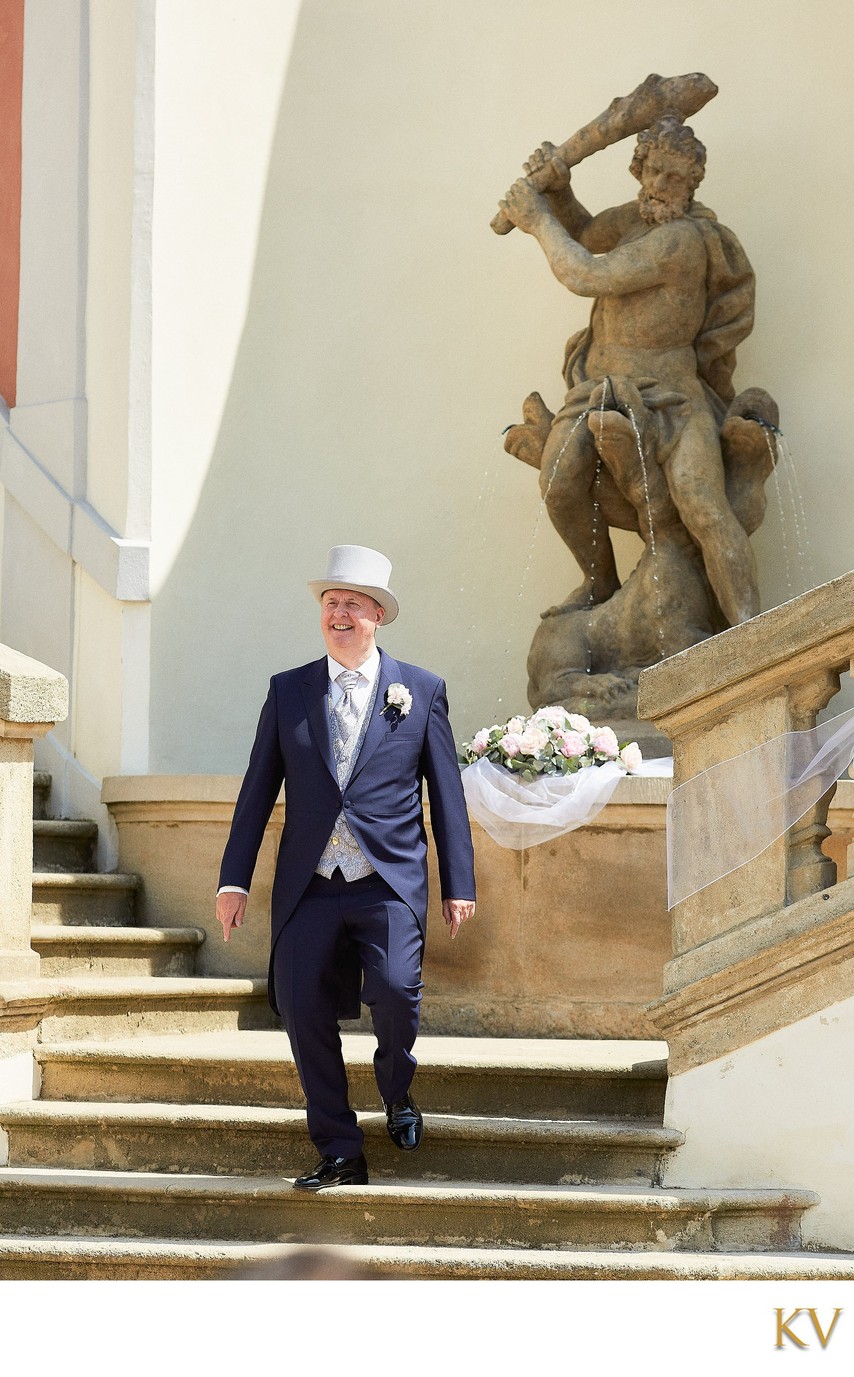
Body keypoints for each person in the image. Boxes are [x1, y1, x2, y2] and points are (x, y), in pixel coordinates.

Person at [216, 545, 476, 1190]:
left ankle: (397, 1091)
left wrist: (458, 884)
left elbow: (446, 793)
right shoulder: (287, 690)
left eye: (353, 604)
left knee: (393, 992)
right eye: (331, 602)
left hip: (387, 879)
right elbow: (257, 791)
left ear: (379, 616)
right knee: (302, 1009)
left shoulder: (420, 691)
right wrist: (233, 877)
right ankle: (340, 1150)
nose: (339, 613)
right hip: (310, 883)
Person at [499, 116, 761, 628]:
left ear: (692, 185)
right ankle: (599, 581)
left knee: (702, 504)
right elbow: (587, 233)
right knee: (558, 485)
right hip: (597, 390)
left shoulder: (683, 239)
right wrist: (560, 190)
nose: (663, 186)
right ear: (639, 168)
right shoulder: (633, 221)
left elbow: (586, 273)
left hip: (672, 395)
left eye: (677, 179)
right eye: (656, 172)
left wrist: (536, 219)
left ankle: (750, 632)